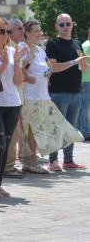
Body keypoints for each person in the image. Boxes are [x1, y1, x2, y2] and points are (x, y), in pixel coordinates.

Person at [19, 20, 83, 173]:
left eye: (40, 30)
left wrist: (46, 76)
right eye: (36, 31)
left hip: (43, 96)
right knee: (32, 131)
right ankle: (31, 162)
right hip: (30, 96)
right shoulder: (23, 47)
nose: (40, 33)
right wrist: (28, 75)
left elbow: (49, 69)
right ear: (27, 32)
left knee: (42, 129)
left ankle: (31, 162)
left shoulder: (41, 50)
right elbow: (18, 69)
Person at [0, 18, 25, 199]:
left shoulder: (12, 51)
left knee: (6, 146)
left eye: (8, 31)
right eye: (2, 31)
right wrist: (4, 61)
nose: (6, 35)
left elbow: (18, 81)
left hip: (13, 104)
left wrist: (16, 62)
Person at [45, 13, 89, 171]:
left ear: (72, 25)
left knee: (71, 129)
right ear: (56, 26)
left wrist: (84, 65)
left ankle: (68, 160)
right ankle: (53, 161)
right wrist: (74, 62)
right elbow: (53, 67)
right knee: (56, 127)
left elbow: (80, 67)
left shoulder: (77, 43)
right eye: (61, 24)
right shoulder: (53, 44)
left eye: (68, 24)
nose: (65, 27)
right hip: (58, 92)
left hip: (76, 92)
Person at [4, 19, 26, 179]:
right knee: (10, 132)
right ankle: (7, 166)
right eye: (19, 28)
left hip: (17, 96)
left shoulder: (18, 48)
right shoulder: (8, 49)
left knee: (15, 131)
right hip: (7, 99)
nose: (22, 31)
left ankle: (9, 164)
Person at [78, 28, 90, 140]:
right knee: (86, 107)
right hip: (87, 79)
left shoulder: (84, 44)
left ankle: (81, 129)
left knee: (83, 107)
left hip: (84, 79)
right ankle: (85, 131)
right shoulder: (88, 46)